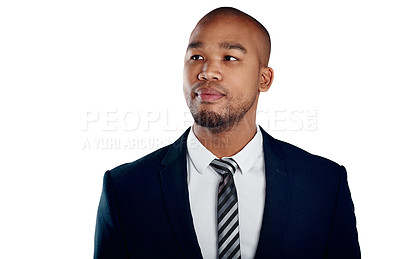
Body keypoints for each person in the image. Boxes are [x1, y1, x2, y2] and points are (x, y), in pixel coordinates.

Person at [94, 7, 361, 259]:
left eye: (229, 58)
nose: (207, 72)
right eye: (196, 57)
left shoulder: (323, 185)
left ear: (263, 79)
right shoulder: (125, 189)